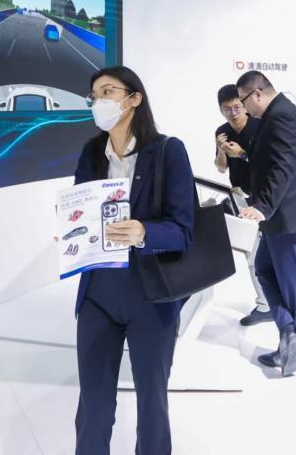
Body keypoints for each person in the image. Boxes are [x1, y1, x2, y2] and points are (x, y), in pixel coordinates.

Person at [73, 66, 195, 455]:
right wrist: (73, 233)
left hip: (151, 296)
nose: (99, 102)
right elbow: (81, 210)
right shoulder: (92, 153)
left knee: (152, 403)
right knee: (93, 406)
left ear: (134, 99)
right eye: (94, 96)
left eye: (108, 92)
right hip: (99, 293)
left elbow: (183, 231)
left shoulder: (167, 151)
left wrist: (144, 232)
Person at [236, 70, 296, 376]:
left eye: (244, 102)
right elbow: (269, 161)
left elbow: (283, 167)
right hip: (277, 216)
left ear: (256, 94)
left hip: (287, 216)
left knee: (292, 283)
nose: (245, 109)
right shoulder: (274, 115)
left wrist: (263, 207)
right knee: (264, 270)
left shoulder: (283, 115)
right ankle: (289, 333)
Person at [213, 84, 270, 327]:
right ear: (221, 110)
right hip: (239, 197)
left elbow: (270, 164)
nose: (233, 113)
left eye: (236, 107)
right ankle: (266, 303)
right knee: (252, 252)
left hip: (263, 198)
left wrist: (242, 154)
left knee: (264, 252)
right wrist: (221, 150)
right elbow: (221, 167)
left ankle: (269, 303)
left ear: (244, 105)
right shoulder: (222, 132)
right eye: (227, 109)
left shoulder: (260, 126)